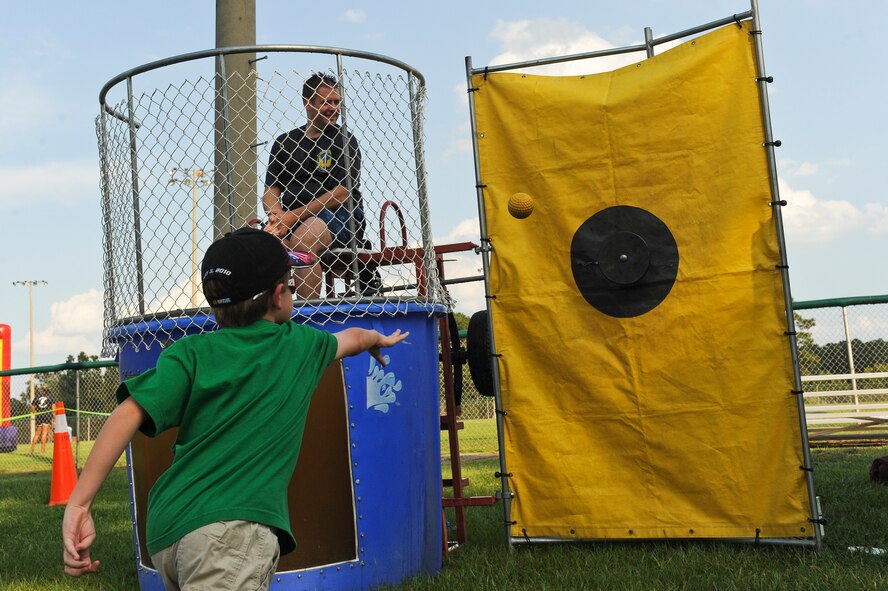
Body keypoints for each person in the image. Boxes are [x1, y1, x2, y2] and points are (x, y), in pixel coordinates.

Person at [62, 228, 409, 590]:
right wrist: (377, 339)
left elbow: (127, 414)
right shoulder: (299, 345)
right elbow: (351, 338)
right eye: (289, 285)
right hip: (231, 532)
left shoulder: (190, 353)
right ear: (278, 296)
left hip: (169, 525)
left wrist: (80, 504)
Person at [262, 73, 365, 299]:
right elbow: (271, 192)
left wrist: (292, 218)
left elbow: (341, 194)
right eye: (326, 102)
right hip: (292, 218)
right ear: (308, 103)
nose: (333, 108)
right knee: (262, 243)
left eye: (337, 102)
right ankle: (275, 316)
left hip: (339, 215)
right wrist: (276, 216)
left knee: (304, 239)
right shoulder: (284, 142)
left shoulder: (344, 139)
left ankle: (310, 316)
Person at [30, 388, 53, 454]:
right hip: (47, 416)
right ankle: (42, 450)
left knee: (37, 434)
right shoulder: (50, 397)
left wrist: (35, 412)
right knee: (44, 433)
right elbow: (53, 408)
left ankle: (32, 450)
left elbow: (32, 406)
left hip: (39, 416)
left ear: (42, 390)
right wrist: (54, 418)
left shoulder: (37, 397)